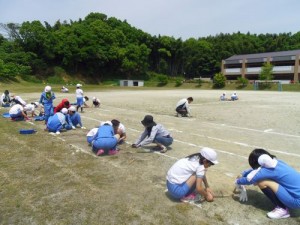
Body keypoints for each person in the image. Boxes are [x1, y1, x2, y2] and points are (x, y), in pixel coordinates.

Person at [235, 148, 300, 219]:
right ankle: (283, 203)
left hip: (296, 202)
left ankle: (282, 209)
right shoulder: (277, 162)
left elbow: (250, 179)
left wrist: (237, 181)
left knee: (262, 182)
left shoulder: (267, 171)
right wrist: (243, 173)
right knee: (272, 179)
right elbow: (255, 170)